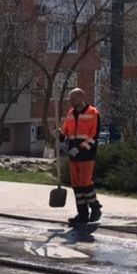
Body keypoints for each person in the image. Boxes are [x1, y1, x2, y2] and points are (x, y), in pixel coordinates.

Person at [58, 88, 102, 227]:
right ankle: (82, 213)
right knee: (76, 184)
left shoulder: (93, 113)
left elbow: (93, 136)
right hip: (73, 153)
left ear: (82, 97)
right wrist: (59, 134)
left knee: (85, 182)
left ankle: (95, 207)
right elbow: (66, 131)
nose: (71, 101)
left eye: (74, 99)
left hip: (86, 153)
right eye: (70, 99)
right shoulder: (70, 113)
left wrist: (80, 148)